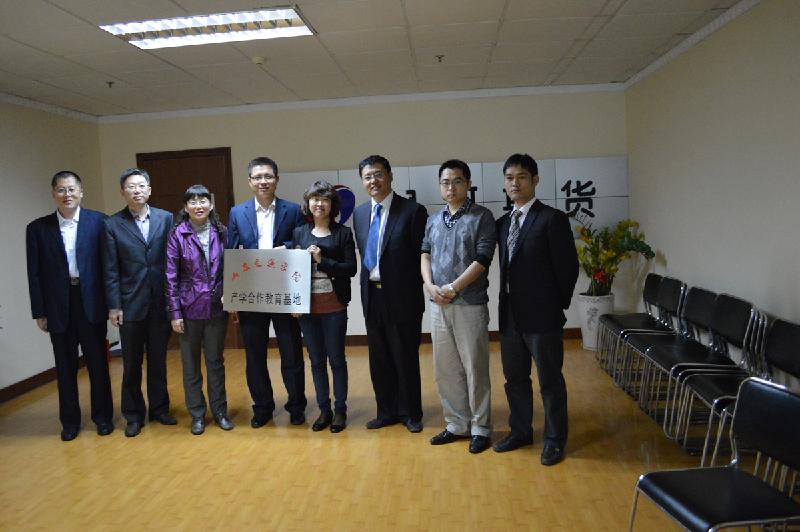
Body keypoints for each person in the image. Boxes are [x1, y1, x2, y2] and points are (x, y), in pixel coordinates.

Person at [493, 153, 579, 466]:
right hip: (510, 316)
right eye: (509, 178)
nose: (515, 183)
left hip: (543, 317)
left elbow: (568, 268)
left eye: (522, 177)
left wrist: (555, 306)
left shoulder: (551, 219)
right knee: (514, 379)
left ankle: (555, 440)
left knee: (550, 382)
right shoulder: (503, 223)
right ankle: (520, 431)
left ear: (535, 180)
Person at [26, 170, 114, 441]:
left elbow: (109, 266)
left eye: (72, 189)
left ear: (81, 192)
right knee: (64, 368)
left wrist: (113, 305)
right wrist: (39, 311)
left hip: (91, 302)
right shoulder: (38, 229)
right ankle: (70, 422)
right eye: (61, 190)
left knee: (98, 365)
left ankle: (103, 418)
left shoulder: (100, 222)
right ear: (54, 194)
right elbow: (34, 273)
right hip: (57, 306)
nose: (67, 195)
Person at [421, 159, 496, 454]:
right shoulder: (433, 219)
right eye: (445, 182)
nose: (450, 188)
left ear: (468, 184)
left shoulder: (482, 216)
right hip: (438, 303)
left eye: (457, 181)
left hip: (469, 303)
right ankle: (456, 424)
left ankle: (480, 427)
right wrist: (430, 286)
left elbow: (483, 259)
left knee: (475, 367)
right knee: (446, 368)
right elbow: (425, 254)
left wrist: (454, 288)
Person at [228, 156, 307, 428]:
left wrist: (284, 249)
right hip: (251, 294)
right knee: (254, 355)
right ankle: (262, 407)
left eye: (268, 176)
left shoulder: (293, 210)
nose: (263, 181)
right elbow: (232, 253)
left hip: (284, 292)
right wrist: (232, 297)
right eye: (258, 177)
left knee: (291, 352)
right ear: (250, 181)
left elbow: (300, 245)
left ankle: (296, 406)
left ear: (277, 179)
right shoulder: (237, 213)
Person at [353, 155, 428, 433]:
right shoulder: (360, 214)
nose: (373, 180)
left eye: (378, 174)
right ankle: (386, 411)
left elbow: (422, 256)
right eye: (368, 176)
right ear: (362, 181)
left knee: (404, 356)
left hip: (403, 297)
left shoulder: (413, 211)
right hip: (372, 296)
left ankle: (410, 413)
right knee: (379, 358)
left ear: (390, 176)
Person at [102, 168, 175, 438]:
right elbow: (110, 268)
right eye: (131, 187)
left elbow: (173, 259)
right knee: (131, 364)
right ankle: (133, 415)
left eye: (141, 186)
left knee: (158, 361)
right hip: (130, 304)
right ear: (123, 192)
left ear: (149, 190)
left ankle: (160, 409)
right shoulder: (112, 224)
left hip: (160, 302)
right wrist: (114, 306)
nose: (137, 191)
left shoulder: (165, 218)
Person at [165, 185, 233, 435]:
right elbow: (170, 276)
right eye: (192, 202)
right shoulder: (178, 234)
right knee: (191, 364)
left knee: (215, 362)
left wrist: (231, 296)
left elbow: (231, 268)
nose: (198, 205)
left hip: (216, 307)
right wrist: (174, 313)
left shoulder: (221, 232)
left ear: (211, 205)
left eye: (203, 200)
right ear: (185, 207)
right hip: (188, 308)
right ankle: (197, 414)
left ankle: (220, 412)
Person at [292, 181, 357, 433]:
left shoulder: (343, 233)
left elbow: (350, 269)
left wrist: (322, 260)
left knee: (337, 360)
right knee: (316, 361)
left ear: (332, 204)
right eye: (315, 199)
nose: (319, 204)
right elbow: (292, 272)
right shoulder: (299, 233)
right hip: (307, 309)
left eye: (325, 199)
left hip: (334, 306)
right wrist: (294, 303)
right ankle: (324, 409)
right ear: (308, 203)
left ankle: (340, 410)